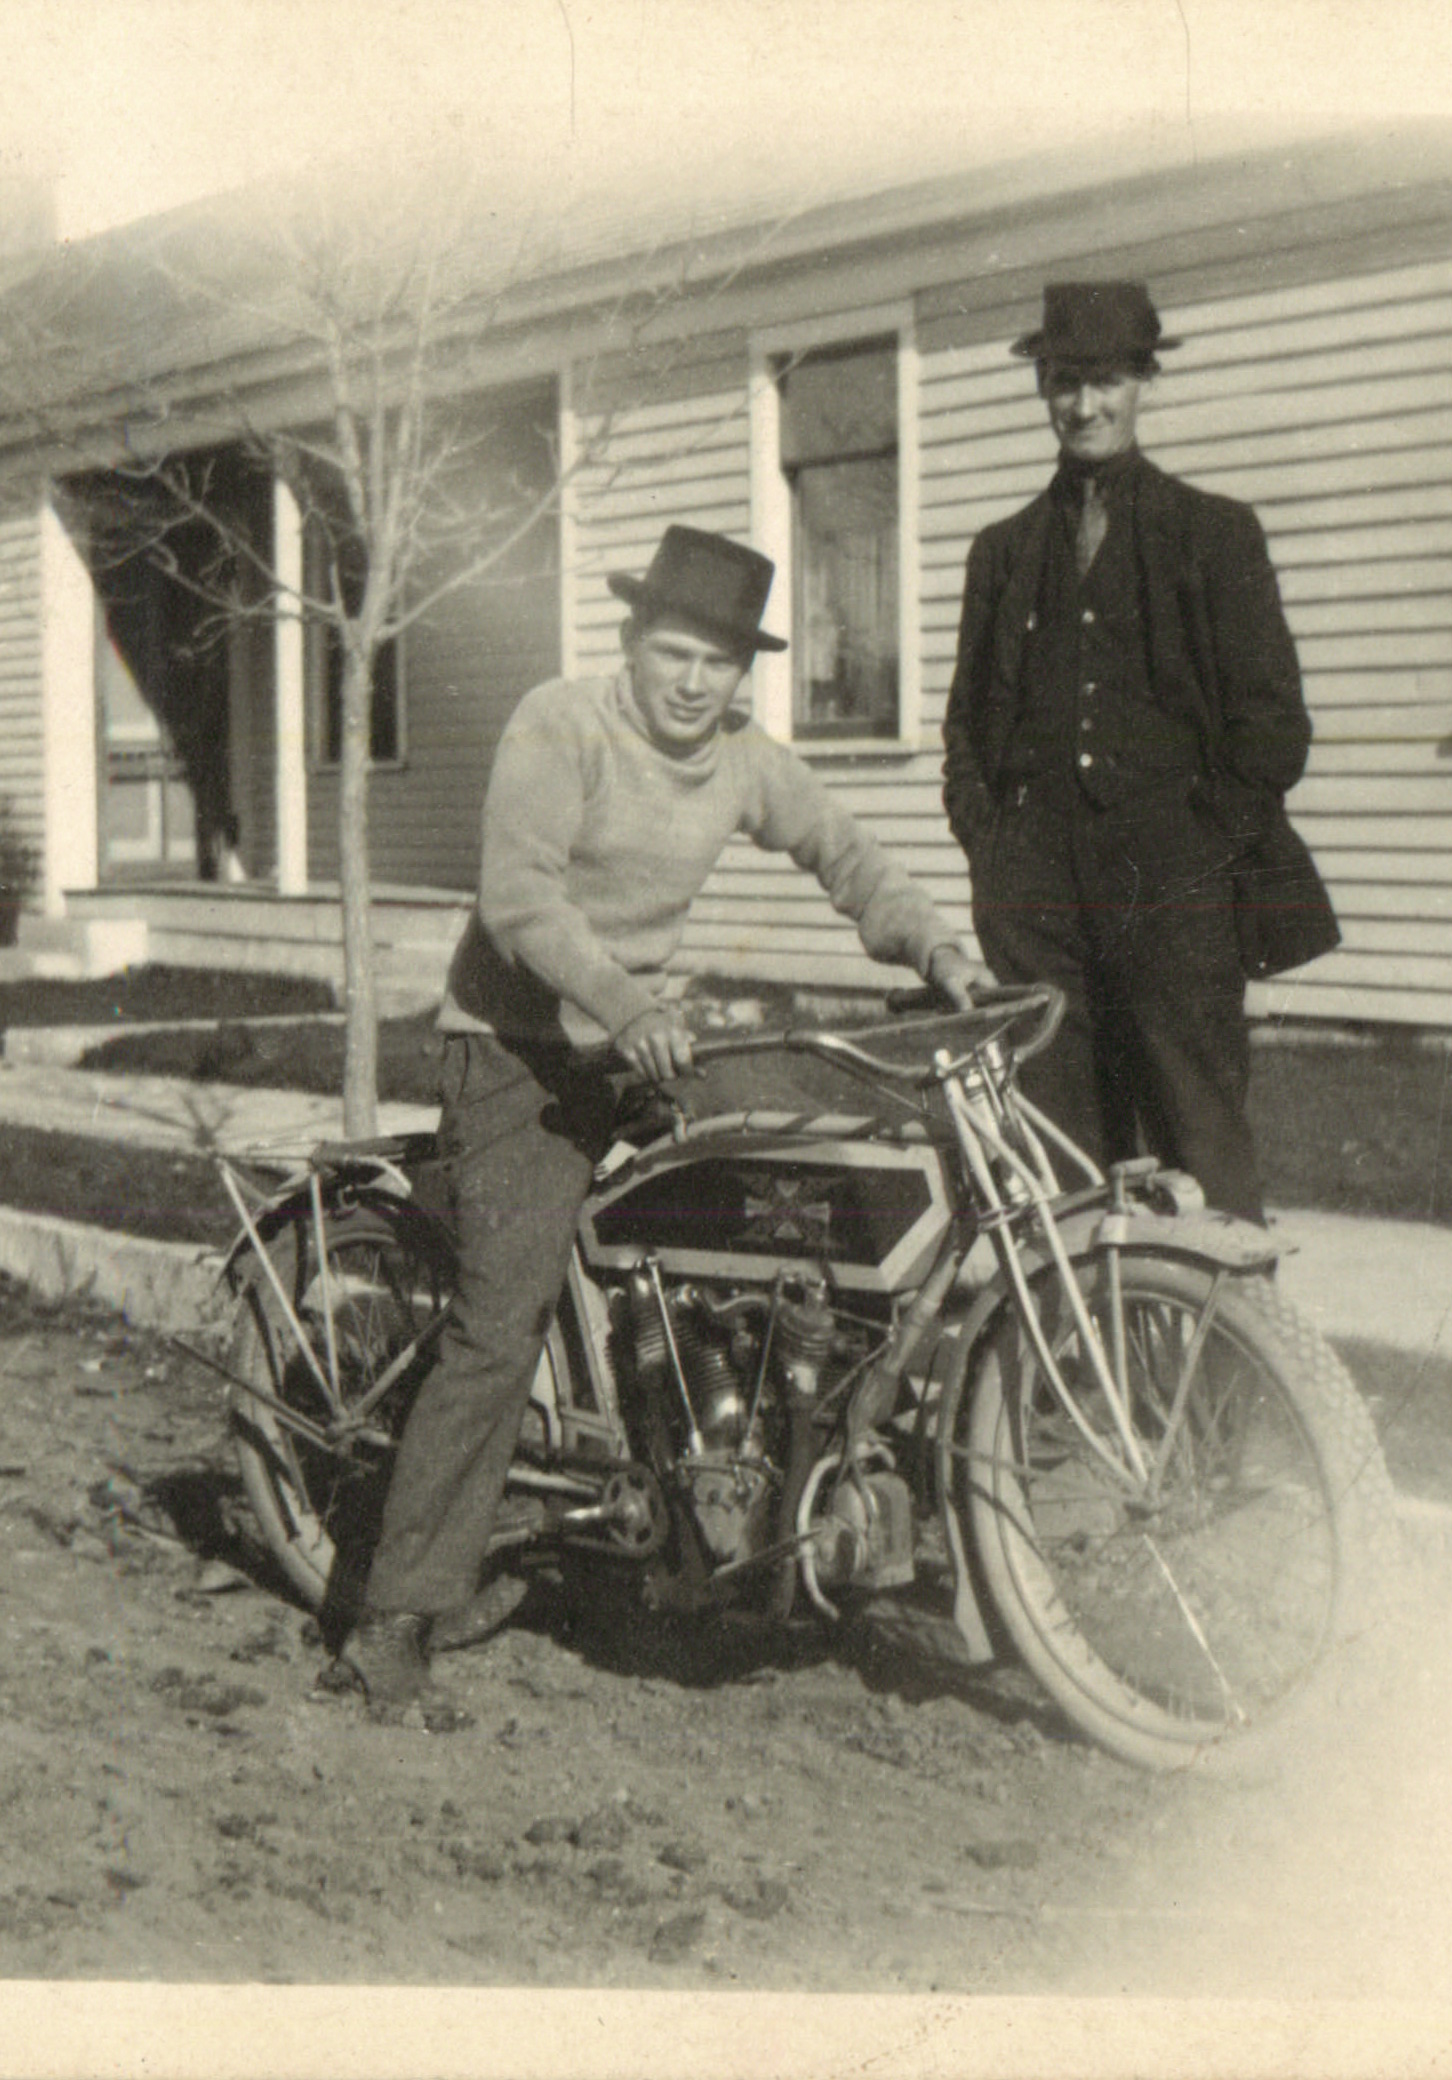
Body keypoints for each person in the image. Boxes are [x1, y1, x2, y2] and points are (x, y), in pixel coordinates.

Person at [328, 524, 994, 1723]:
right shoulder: (559, 723)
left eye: (719, 661)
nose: (695, 681)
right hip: (517, 1048)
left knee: (779, 1202)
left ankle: (725, 1485)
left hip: (642, 1040)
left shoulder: (740, 757)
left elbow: (843, 852)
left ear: (744, 673)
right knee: (503, 1318)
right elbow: (519, 899)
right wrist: (626, 1005)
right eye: (675, 652)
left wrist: (934, 947)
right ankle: (392, 1620)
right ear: (633, 640)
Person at [939, 281, 1318, 1223]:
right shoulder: (1002, 552)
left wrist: (1199, 850)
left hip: (1174, 891)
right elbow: (967, 731)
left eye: (1104, 380)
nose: (1083, 406)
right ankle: (1078, 1323)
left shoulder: (1214, 534)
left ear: (1143, 381)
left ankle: (1230, 1321)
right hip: (1035, 901)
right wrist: (993, 850)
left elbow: (1272, 726)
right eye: (1064, 382)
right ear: (1042, 388)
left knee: (1201, 1133)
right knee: (1055, 1146)